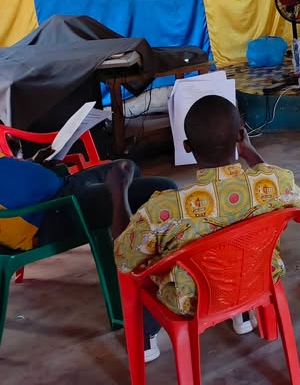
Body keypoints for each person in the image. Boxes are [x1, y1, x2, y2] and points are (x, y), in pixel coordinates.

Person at [113, 95, 300, 363]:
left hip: (191, 300)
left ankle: (146, 338)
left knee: (144, 266)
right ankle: (241, 314)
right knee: (233, 238)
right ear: (241, 135)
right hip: (258, 278)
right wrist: (249, 151)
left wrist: (118, 193)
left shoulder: (166, 210)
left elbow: (124, 256)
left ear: (187, 146)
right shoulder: (275, 185)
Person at [0, 145, 176, 360]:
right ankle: (144, 326)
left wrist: (36, 163)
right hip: (53, 213)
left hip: (64, 186)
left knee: (127, 166)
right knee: (162, 189)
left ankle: (122, 230)